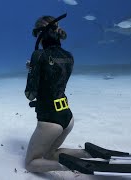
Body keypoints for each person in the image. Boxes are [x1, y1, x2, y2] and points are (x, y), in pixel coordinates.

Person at [24, 14, 91, 173]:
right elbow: (56, 76)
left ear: (40, 34)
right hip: (67, 117)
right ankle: (87, 154)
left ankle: (73, 167)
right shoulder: (69, 56)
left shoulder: (38, 55)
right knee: (50, 154)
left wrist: (33, 70)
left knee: (31, 163)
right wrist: (37, 69)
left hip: (50, 119)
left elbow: (30, 94)